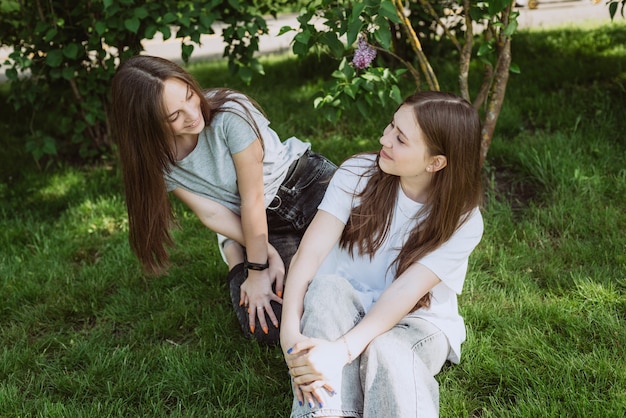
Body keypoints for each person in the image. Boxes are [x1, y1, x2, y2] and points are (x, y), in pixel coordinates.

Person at [280, 91, 484, 417]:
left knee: (387, 349)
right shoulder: (357, 173)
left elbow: (405, 292)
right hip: (344, 305)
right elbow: (310, 252)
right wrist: (289, 330)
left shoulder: (463, 219)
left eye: (400, 139)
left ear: (436, 162)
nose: (384, 139)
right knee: (325, 288)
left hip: (415, 321)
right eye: (391, 125)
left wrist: (342, 351)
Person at [109, 55, 336, 345]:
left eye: (190, 96)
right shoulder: (157, 160)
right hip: (259, 226)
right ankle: (241, 264)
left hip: (305, 187)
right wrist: (264, 253)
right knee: (271, 327)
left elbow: (251, 198)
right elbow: (214, 214)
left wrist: (256, 270)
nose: (192, 113)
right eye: (174, 116)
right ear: (147, 124)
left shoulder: (230, 114)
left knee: (372, 257)